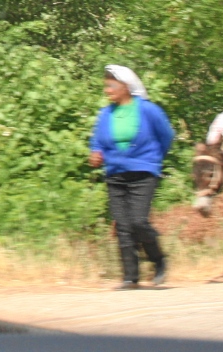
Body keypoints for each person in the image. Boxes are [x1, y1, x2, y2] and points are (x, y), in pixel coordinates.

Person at [89, 65, 175, 290]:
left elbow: (166, 136)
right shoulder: (106, 114)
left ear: (126, 86)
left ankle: (159, 260)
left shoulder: (148, 110)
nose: (107, 90)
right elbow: (97, 141)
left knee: (138, 221)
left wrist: (152, 159)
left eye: (111, 85)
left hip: (143, 172)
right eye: (106, 86)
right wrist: (96, 153)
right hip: (115, 174)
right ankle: (130, 277)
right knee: (124, 226)